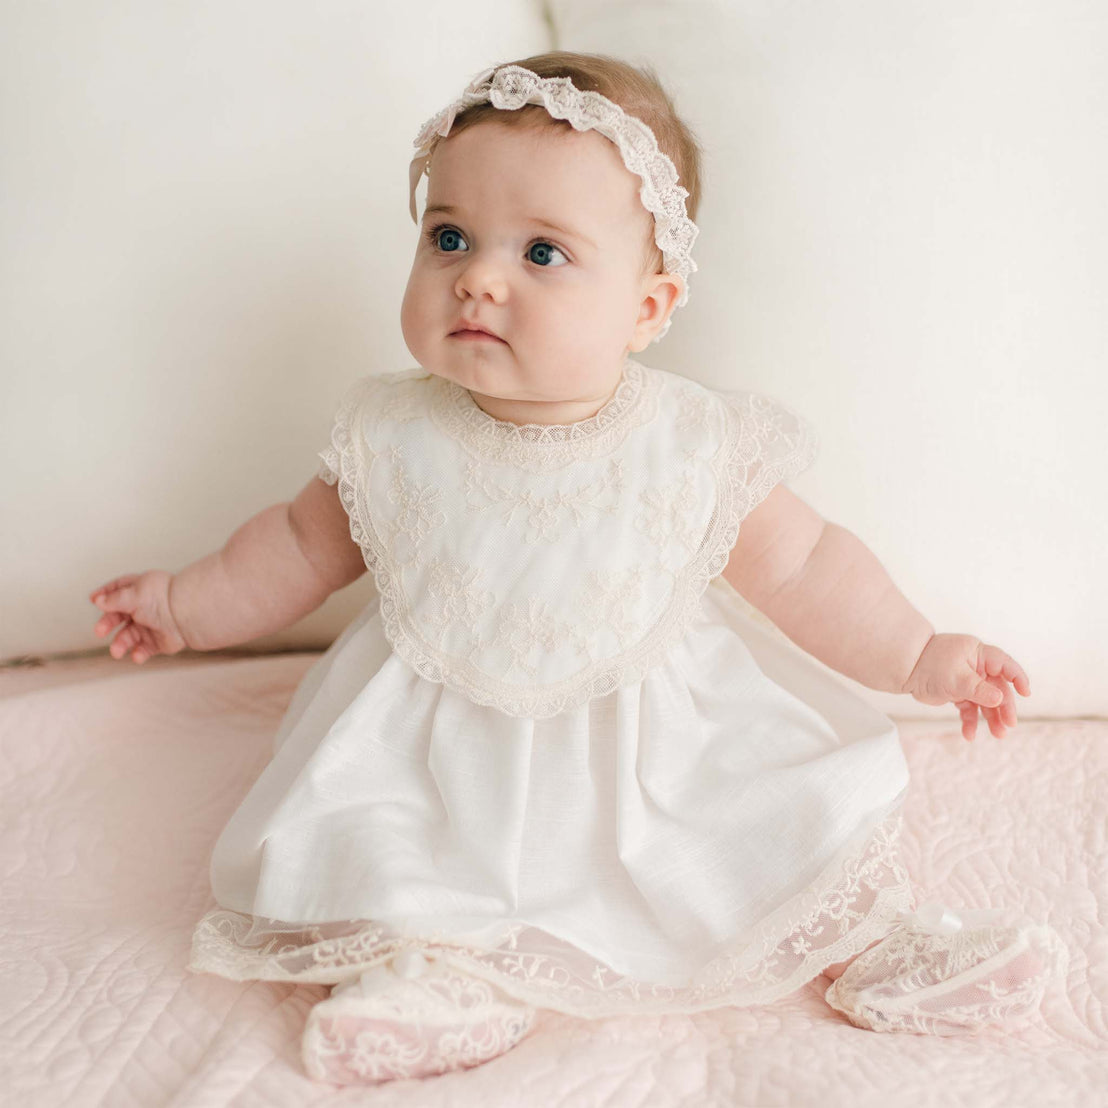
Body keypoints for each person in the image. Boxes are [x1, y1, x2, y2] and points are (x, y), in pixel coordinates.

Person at [88, 53, 1068, 1087]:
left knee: (762, 827)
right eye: (449, 235)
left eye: (542, 251)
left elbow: (808, 561)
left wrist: (918, 651)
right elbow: (293, 547)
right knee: (390, 843)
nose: (477, 274)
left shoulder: (689, 439)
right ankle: (439, 976)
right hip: (440, 743)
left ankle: (877, 943)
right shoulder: (393, 432)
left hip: (658, 746)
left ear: (649, 307)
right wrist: (183, 605)